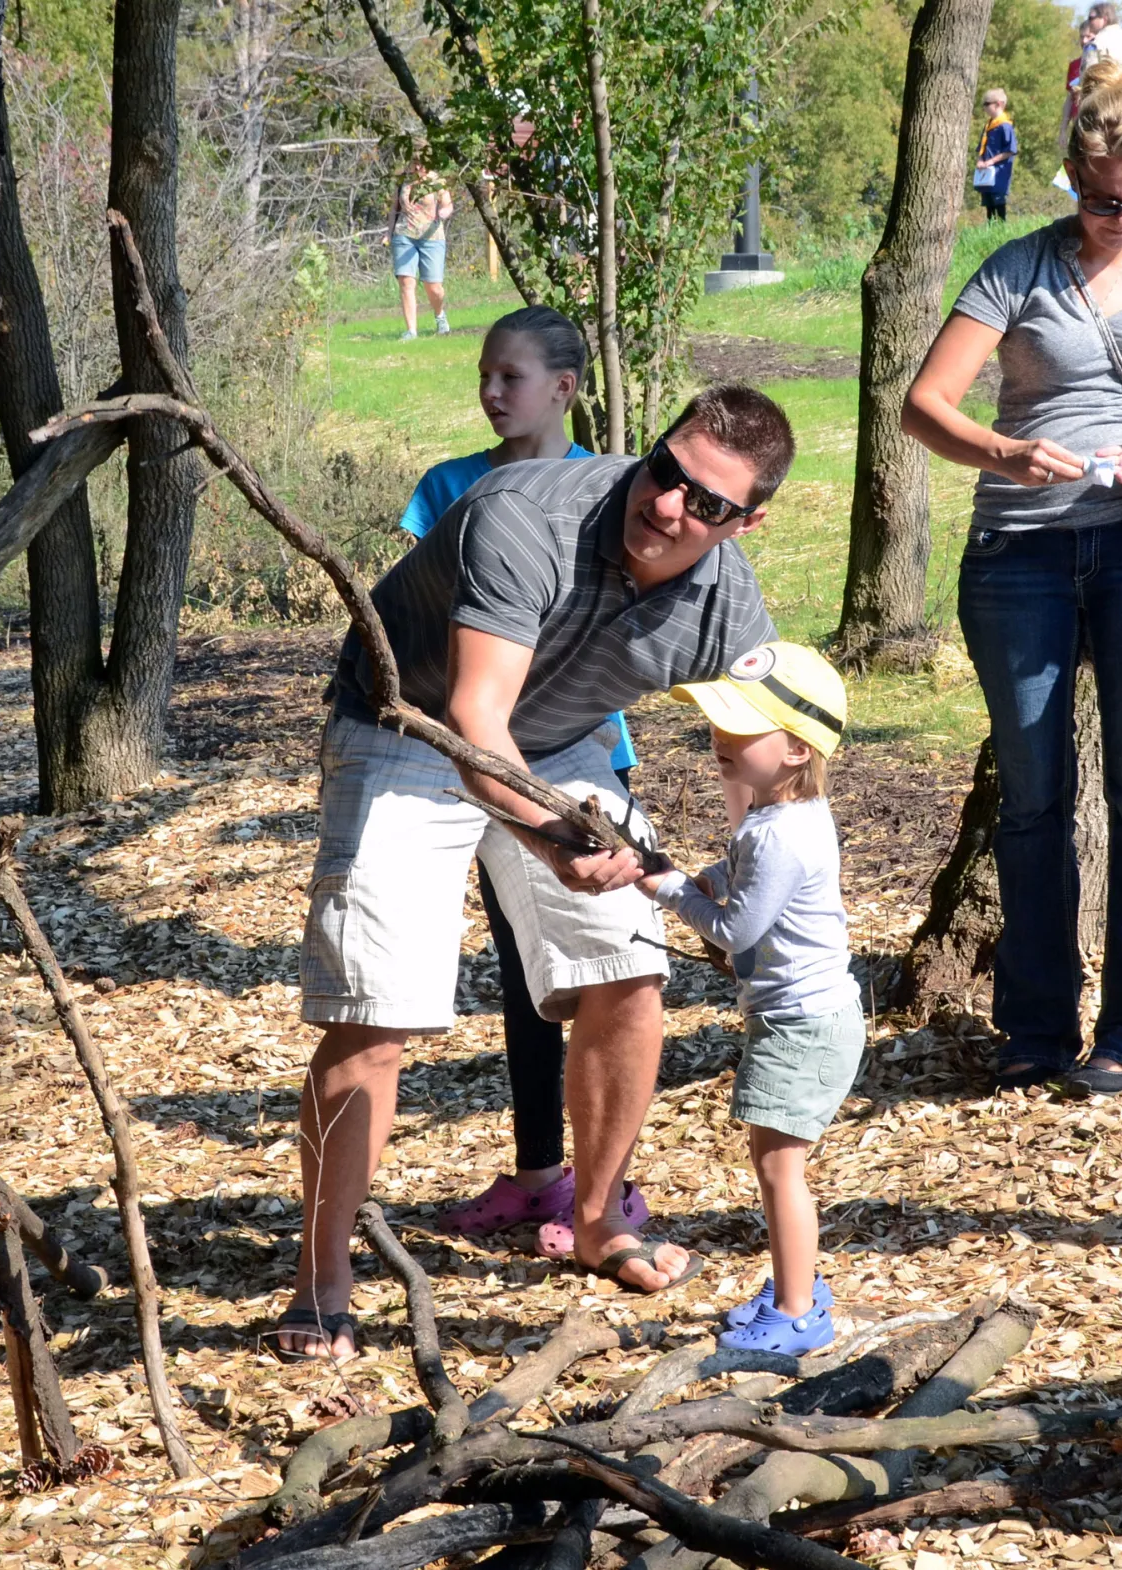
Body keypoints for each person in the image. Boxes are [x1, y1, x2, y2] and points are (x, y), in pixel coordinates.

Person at [275, 386, 794, 1360]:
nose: (671, 506)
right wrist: (557, 845)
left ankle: (597, 1219)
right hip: (407, 727)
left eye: (707, 504)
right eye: (665, 471)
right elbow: (474, 724)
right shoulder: (526, 516)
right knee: (375, 1011)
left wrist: (779, 887)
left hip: (556, 744)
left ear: (746, 523)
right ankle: (321, 1277)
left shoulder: (727, 600)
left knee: (630, 974)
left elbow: (771, 757)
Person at [900, 60, 1122, 1098]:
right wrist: (1003, 453)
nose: (1121, 219)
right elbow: (925, 406)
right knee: (1035, 798)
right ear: (1071, 179)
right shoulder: (1015, 268)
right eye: (1101, 201)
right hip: (1022, 552)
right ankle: (1034, 1027)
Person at [397, 307, 652, 1258]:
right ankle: (541, 1172)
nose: (492, 392)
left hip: (584, 757)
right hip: (479, 756)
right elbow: (422, 617)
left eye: (512, 377)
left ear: (566, 387)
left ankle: (608, 1187)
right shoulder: (449, 488)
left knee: (609, 969)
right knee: (522, 971)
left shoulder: (611, 489)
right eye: (485, 376)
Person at [638, 643, 861, 1355]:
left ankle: (799, 1311)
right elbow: (734, 871)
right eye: (717, 723)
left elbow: (736, 932)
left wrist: (667, 888)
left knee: (777, 1168)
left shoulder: (779, 837)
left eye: (741, 728)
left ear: (797, 747)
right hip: (806, 1017)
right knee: (776, 1162)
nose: (720, 739)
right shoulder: (782, 817)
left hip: (801, 1027)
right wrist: (696, 875)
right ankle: (798, 1286)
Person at [1060, 4, 1122, 146]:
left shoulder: (1096, 43)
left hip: (1105, 113)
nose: (1089, 21)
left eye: (1091, 18)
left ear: (1104, 18)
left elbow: (1087, 81)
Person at [392, 160, 455, 341]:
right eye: (414, 163)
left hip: (432, 237)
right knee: (406, 281)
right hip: (404, 235)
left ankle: (440, 315)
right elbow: (393, 210)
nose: (418, 167)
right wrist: (388, 233)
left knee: (433, 286)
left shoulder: (437, 181)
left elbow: (447, 204)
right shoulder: (402, 180)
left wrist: (444, 212)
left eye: (421, 163)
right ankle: (411, 331)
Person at [974, 88, 1018, 222]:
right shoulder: (988, 125)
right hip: (986, 173)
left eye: (987, 104)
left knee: (998, 202)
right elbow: (982, 147)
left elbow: (1010, 150)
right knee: (988, 204)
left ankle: (1001, 229)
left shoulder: (1005, 126)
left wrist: (991, 162)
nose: (984, 108)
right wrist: (980, 160)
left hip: (999, 172)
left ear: (998, 104)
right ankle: (990, 231)